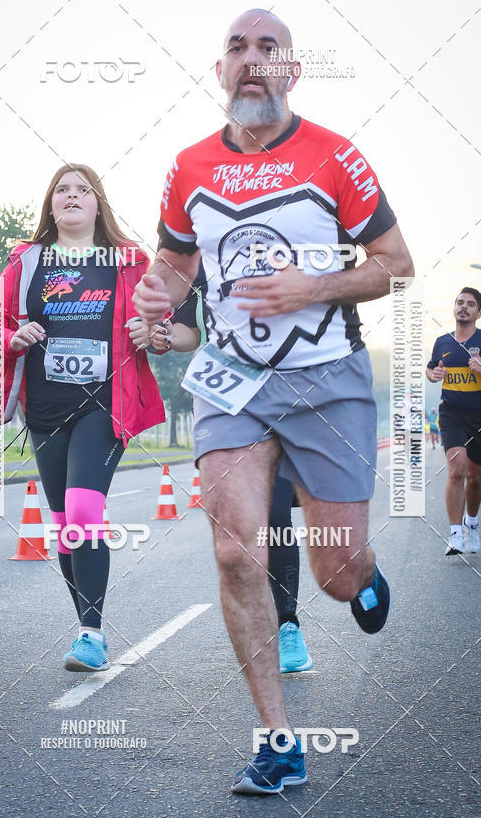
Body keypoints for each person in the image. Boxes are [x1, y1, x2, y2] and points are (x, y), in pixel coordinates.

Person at [132, 9, 413, 795]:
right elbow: (175, 273)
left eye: (268, 49)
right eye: (237, 49)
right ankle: (279, 740)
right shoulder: (188, 167)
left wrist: (314, 285)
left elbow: (396, 263)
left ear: (291, 70)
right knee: (233, 551)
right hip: (235, 384)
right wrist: (159, 301)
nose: (251, 61)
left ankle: (363, 574)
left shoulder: (335, 157)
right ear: (219, 72)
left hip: (328, 380)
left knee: (332, 572)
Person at [0, 163, 164, 671]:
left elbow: (161, 321)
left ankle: (92, 635)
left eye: (83, 189)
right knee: (63, 525)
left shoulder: (127, 260)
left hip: (105, 403)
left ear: (98, 203)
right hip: (45, 408)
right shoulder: (28, 262)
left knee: (83, 513)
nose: (73, 195)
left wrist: (157, 334)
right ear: (51, 204)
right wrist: (10, 339)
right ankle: (86, 625)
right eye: (63, 189)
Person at [129, 263, 313, 672]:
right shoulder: (199, 266)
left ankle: (288, 625)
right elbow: (188, 333)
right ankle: (269, 621)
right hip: (226, 400)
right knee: (241, 521)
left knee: (276, 512)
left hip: (283, 393)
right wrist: (162, 336)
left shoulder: (277, 249)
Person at [426, 287, 481, 555]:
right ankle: (455, 534)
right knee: (456, 470)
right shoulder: (442, 342)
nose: (464, 307)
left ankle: (472, 523)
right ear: (454, 308)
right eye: (460, 302)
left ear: (478, 312)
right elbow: (431, 367)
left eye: (470, 304)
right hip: (451, 413)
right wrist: (432, 374)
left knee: (475, 477)